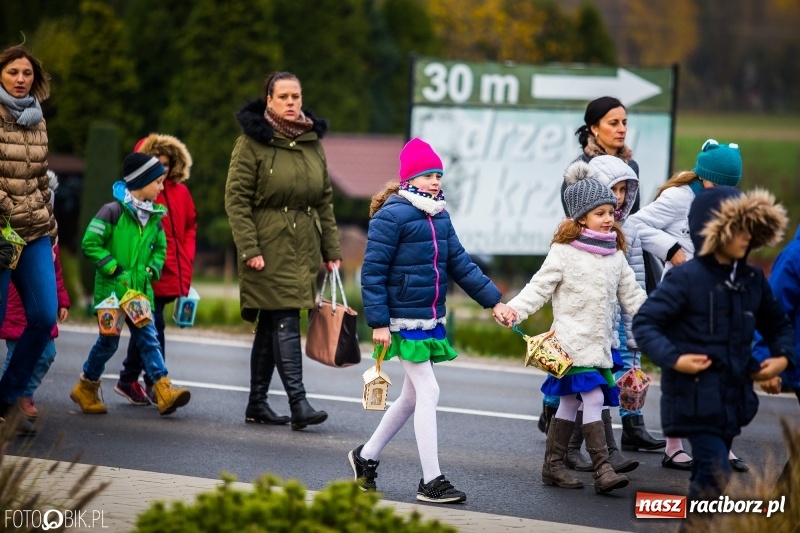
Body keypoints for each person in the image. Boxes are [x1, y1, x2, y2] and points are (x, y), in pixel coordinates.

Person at [350, 138, 513, 503]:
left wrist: (495, 303)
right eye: (428, 175)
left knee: (411, 397)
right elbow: (372, 272)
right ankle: (431, 481)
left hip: (428, 317)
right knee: (429, 390)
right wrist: (378, 323)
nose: (436, 181)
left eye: (438, 174)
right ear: (410, 178)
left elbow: (461, 265)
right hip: (401, 318)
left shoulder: (439, 215)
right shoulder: (391, 215)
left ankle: (366, 456)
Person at [632, 186, 794, 510]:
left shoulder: (750, 279)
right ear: (715, 231)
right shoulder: (685, 278)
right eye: (738, 229)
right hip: (692, 397)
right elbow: (645, 324)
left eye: (750, 228)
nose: (746, 237)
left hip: (732, 399)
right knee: (714, 473)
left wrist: (781, 357)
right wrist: (676, 359)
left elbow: (778, 325)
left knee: (710, 482)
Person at [502, 171, 647, 494]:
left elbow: (633, 296)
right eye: (600, 213)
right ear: (580, 219)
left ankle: (552, 466)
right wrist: (515, 309)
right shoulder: (564, 253)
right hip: (570, 346)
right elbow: (538, 288)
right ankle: (603, 469)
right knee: (593, 398)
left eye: (611, 212)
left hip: (599, 346)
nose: (609, 218)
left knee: (569, 404)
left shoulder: (616, 256)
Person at [542, 96, 664, 467]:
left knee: (621, 350)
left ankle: (628, 428)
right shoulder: (580, 169)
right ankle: (564, 433)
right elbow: (575, 221)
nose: (622, 128)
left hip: (619, 256)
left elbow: (631, 217)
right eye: (613, 122)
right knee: (582, 362)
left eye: (624, 121)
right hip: (587, 266)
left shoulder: (632, 166)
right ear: (593, 127)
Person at [225, 71, 341, 430]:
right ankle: (298, 403)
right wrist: (250, 249)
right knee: (286, 318)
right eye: (284, 97)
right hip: (267, 249)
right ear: (269, 101)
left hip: (303, 248)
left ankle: (257, 403)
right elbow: (236, 200)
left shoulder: (312, 143)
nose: (292, 103)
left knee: (270, 324)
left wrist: (331, 249)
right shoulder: (251, 142)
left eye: (296, 96)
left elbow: (324, 200)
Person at [630, 139, 747, 471]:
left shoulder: (731, 202)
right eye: (719, 184)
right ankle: (673, 447)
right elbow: (636, 225)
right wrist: (670, 249)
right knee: (683, 373)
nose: (723, 192)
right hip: (682, 298)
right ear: (704, 176)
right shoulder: (679, 197)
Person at [71, 153, 191, 416]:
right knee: (108, 343)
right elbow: (90, 243)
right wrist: (112, 266)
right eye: (158, 182)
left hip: (138, 292)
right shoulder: (112, 211)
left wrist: (152, 268)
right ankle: (86, 387)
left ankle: (163, 389)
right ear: (142, 181)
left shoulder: (155, 217)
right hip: (112, 293)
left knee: (149, 338)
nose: (162, 187)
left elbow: (160, 248)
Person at [115, 134, 196, 406]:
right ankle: (155, 383)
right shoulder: (140, 195)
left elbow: (189, 228)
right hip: (146, 273)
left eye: (167, 163)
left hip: (171, 270)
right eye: (156, 163)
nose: (163, 168)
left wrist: (186, 260)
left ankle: (128, 379)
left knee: (146, 326)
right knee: (153, 324)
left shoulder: (181, 193)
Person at [0, 46, 58, 420]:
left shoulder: (37, 120)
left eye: (26, 73)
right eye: (12, 72)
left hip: (34, 231)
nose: (21, 79)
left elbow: (39, 177)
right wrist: (10, 210)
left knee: (43, 316)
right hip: (2, 232)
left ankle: (7, 396)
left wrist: (48, 221)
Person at [0, 171, 70, 421]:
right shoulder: (13, 232)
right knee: (16, 353)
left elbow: (54, 270)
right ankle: (10, 400)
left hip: (39, 308)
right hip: (16, 309)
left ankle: (22, 393)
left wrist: (61, 298)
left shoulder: (48, 238)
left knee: (47, 353)